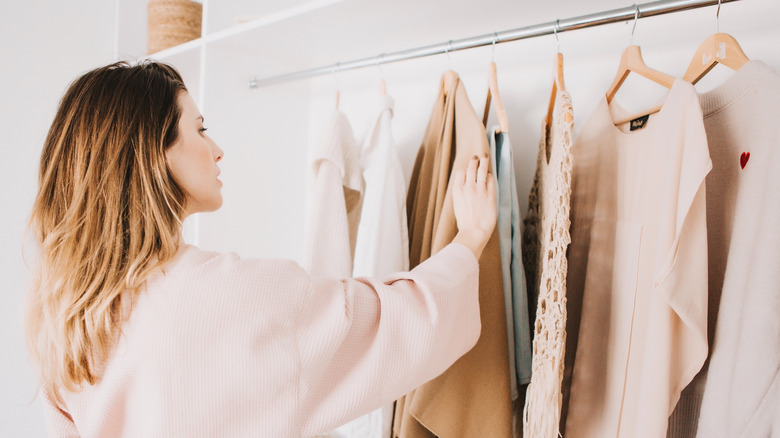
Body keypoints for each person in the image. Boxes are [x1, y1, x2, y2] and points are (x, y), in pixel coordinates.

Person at [25, 60, 497, 437]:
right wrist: (470, 238)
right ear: (155, 153)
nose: (217, 149)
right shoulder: (243, 295)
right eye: (201, 129)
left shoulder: (68, 315)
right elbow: (394, 323)